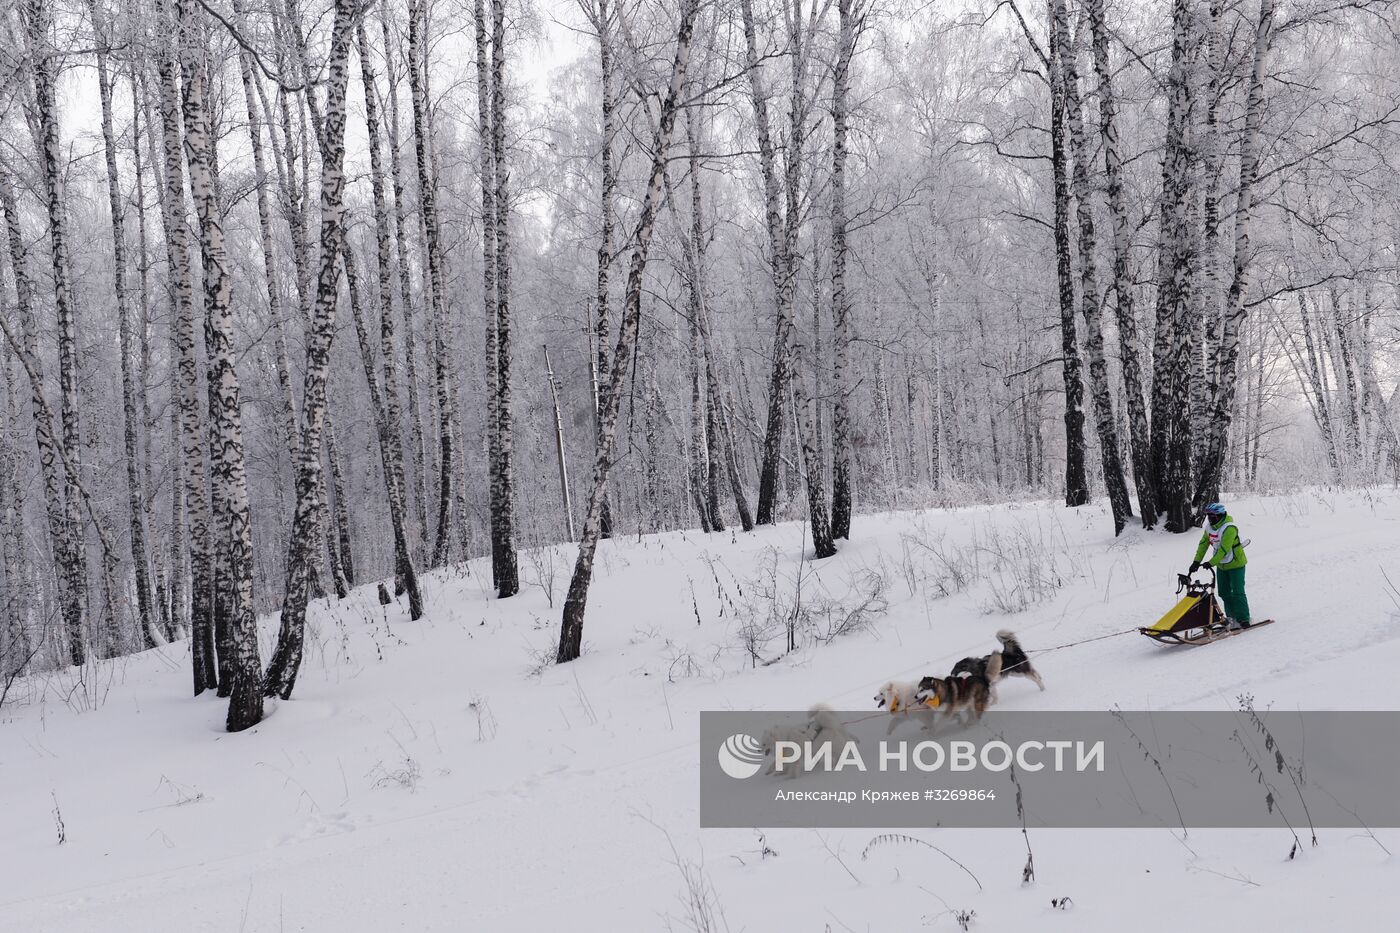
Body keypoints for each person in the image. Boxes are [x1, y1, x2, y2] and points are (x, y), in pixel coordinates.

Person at [1188, 502, 1250, 630]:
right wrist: (1196, 562)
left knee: (1238, 592)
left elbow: (1224, 549)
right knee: (1224, 592)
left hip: (1236, 564)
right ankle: (1231, 617)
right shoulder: (1209, 528)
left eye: (1213, 516)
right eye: (1208, 516)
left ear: (1221, 515)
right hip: (1221, 565)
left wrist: (1211, 562)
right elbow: (1203, 544)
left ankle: (1243, 618)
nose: (1210, 518)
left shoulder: (1229, 528)